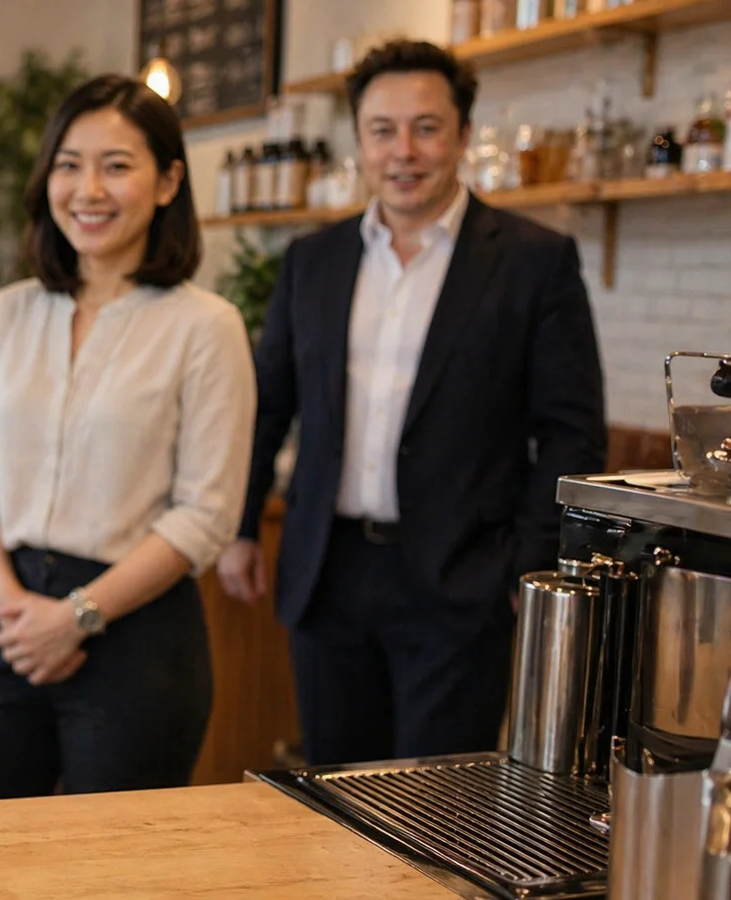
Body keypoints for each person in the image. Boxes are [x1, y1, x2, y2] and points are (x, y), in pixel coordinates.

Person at [215, 40, 607, 765]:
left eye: (425, 128)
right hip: (327, 573)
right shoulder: (313, 260)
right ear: (358, 140)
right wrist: (238, 525)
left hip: (462, 582)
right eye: (381, 129)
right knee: (334, 798)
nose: (404, 151)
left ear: (461, 134)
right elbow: (269, 402)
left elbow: (570, 432)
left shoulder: (533, 261)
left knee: (436, 812)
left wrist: (533, 564)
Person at [0, 75, 256, 801]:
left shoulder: (205, 326)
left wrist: (78, 615)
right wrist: (9, 603)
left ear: (169, 180)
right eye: (69, 164)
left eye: (117, 165)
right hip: (8, 615)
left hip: (136, 636)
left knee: (112, 871)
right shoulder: (10, 311)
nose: (88, 189)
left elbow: (206, 514)